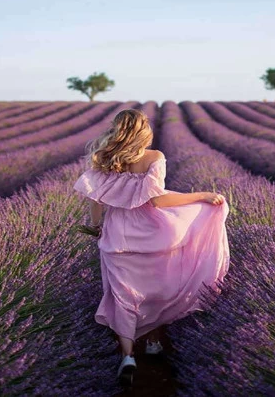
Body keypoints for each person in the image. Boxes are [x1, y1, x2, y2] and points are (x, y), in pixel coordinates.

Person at [73, 108, 230, 387]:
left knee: (123, 295)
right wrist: (203, 196)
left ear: (117, 129)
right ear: (143, 130)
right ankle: (155, 343)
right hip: (153, 233)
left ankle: (128, 356)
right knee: (157, 288)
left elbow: (96, 202)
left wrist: (97, 227)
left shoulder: (106, 159)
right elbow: (158, 201)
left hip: (118, 236)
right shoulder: (154, 157)